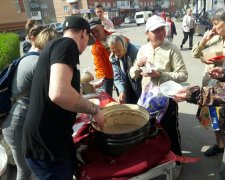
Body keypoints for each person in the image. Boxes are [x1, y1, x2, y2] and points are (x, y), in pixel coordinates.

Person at [22, 16, 104, 180]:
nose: (85, 48)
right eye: (87, 39)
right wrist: (94, 110)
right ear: (83, 33)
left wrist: (81, 106)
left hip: (49, 141)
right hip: (47, 147)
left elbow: (66, 89)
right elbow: (59, 92)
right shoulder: (68, 45)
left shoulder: (56, 45)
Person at [129, 15, 188, 179]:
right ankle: (159, 160)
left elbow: (183, 75)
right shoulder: (143, 49)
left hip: (167, 100)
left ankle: (177, 162)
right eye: (155, 30)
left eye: (162, 29)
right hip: (148, 99)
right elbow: (133, 74)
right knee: (152, 132)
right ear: (147, 33)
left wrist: (160, 74)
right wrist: (137, 66)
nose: (161, 32)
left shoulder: (172, 49)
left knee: (171, 133)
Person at [1, 26, 58, 180]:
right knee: (25, 170)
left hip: (12, 122)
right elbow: (52, 95)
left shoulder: (26, 58)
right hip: (17, 124)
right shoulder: (38, 63)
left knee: (26, 169)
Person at [173, 66, 225, 180]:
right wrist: (223, 74)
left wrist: (193, 94)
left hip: (215, 96)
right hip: (215, 99)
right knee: (216, 125)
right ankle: (220, 146)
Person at [192, 8, 225, 157]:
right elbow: (196, 54)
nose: (214, 27)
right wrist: (204, 40)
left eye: (217, 24)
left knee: (222, 120)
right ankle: (220, 145)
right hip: (209, 84)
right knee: (214, 120)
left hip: (222, 89)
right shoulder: (214, 38)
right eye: (212, 23)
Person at [107, 33, 142, 104]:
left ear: (124, 45)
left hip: (139, 87)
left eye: (119, 50)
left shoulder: (136, 52)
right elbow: (117, 77)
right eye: (113, 51)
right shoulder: (113, 58)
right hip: (127, 88)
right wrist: (122, 91)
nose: (117, 54)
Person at [88, 17, 114, 96]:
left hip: (121, 73)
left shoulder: (114, 36)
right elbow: (99, 66)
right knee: (105, 97)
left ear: (102, 27)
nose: (95, 34)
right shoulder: (95, 47)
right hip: (107, 76)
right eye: (92, 33)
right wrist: (100, 80)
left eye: (97, 31)